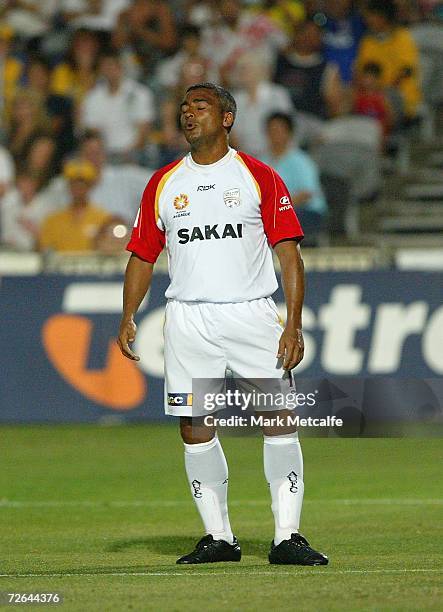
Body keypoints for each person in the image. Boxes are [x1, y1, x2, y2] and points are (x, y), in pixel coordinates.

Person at [118, 82, 328, 566]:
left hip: (251, 312)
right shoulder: (163, 183)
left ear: (227, 117)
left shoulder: (259, 176)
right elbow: (142, 255)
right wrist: (128, 314)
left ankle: (287, 537)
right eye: (184, 108)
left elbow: (290, 257)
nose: (189, 114)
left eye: (201, 106)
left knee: (278, 418)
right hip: (189, 320)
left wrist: (292, 324)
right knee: (194, 427)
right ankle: (219, 537)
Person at [81, 50, 154, 163]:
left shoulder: (139, 93)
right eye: (105, 66)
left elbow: (143, 131)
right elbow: (93, 132)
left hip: (136, 153)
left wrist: (129, 153)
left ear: (121, 67)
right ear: (100, 70)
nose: (109, 70)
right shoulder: (92, 97)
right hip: (105, 155)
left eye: (112, 65)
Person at [262, 112, 327, 238]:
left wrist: (278, 208)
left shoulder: (301, 160)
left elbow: (306, 194)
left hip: (306, 212)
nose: (275, 135)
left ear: (289, 133)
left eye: (279, 130)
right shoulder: (261, 161)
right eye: (271, 130)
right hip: (271, 214)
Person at [356, 0, 421, 120]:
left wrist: (382, 89)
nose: (368, 20)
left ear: (383, 17)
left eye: (371, 16)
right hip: (371, 94)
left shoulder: (403, 38)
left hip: (399, 96)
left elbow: (407, 70)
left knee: (382, 100)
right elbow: (361, 72)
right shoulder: (367, 41)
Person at [39, 159, 110, 252]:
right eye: (74, 183)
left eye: (83, 183)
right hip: (60, 266)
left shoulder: (103, 219)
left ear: (90, 186)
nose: (78, 188)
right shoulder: (53, 220)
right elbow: (45, 251)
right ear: (68, 186)